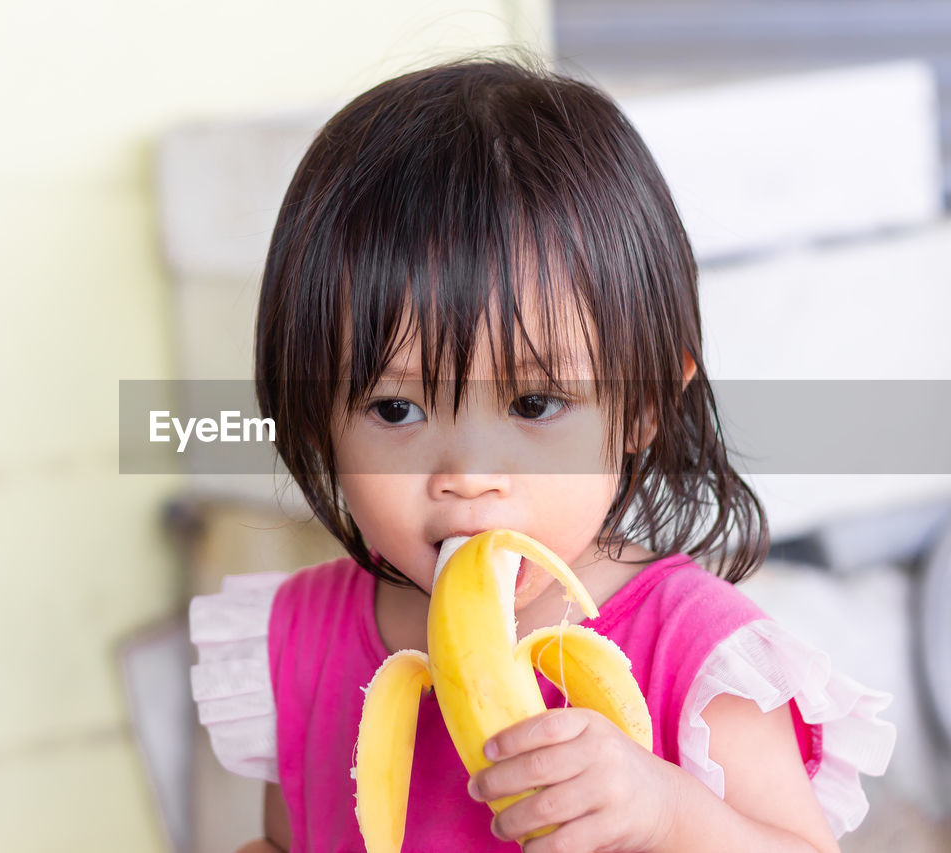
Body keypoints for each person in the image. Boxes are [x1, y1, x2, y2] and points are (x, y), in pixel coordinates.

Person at [189, 55, 893, 852]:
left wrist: (667, 812)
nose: (469, 477)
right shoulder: (300, 644)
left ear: (645, 406)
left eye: (534, 404)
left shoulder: (697, 660)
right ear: (316, 418)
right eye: (396, 408)